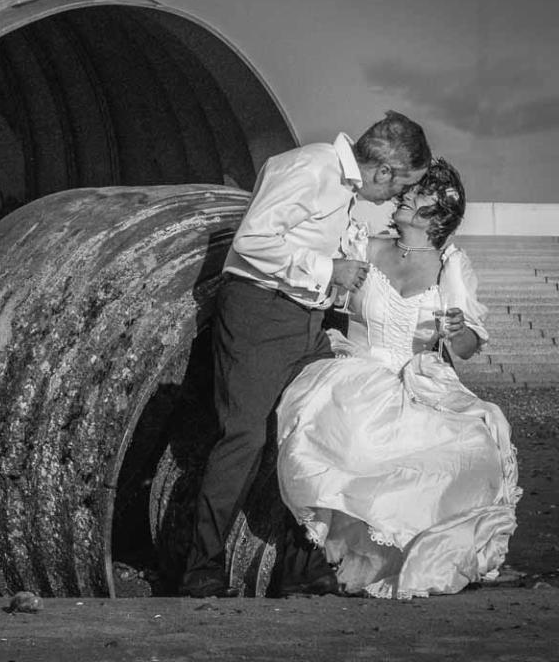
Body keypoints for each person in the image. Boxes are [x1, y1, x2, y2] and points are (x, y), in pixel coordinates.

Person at [180, 111, 432, 598]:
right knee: (246, 438)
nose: (395, 198)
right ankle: (198, 570)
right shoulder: (310, 168)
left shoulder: (341, 189)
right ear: (383, 172)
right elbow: (252, 239)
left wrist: (332, 284)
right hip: (260, 313)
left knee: (315, 429)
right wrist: (327, 267)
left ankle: (303, 565)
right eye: (401, 186)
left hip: (304, 321)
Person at [275, 159, 521, 598]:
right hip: (355, 371)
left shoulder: (451, 265)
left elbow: (466, 346)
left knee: (472, 452)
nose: (405, 194)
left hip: (419, 378)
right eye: (409, 190)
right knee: (352, 437)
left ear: (438, 215)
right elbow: (326, 292)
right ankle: (322, 555)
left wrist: (458, 329)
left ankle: (408, 554)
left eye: (419, 193)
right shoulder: (365, 247)